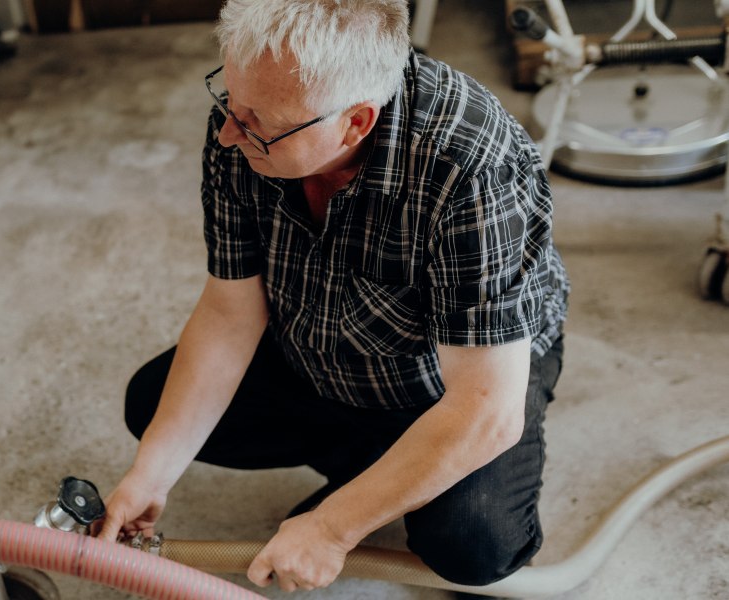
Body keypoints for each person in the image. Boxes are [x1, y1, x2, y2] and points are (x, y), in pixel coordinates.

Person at [96, 0, 570, 593]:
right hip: (317, 346)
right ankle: (381, 459)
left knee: (472, 545)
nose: (226, 132)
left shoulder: (470, 164)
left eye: (257, 121)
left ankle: (402, 460)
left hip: (452, 383)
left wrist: (332, 527)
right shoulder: (247, 128)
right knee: (150, 407)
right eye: (229, 102)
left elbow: (484, 406)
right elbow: (230, 309)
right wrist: (151, 476)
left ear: (355, 122)